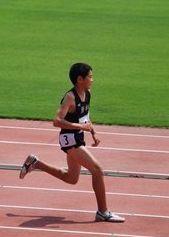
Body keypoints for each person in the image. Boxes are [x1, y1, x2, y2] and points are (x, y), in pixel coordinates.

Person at [19, 63, 125, 223]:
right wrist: (80, 127)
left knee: (71, 178)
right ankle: (103, 212)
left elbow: (85, 116)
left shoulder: (87, 93)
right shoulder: (70, 97)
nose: (92, 80)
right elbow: (56, 121)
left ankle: (36, 163)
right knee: (97, 170)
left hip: (79, 137)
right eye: (90, 76)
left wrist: (93, 132)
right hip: (70, 139)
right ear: (80, 79)